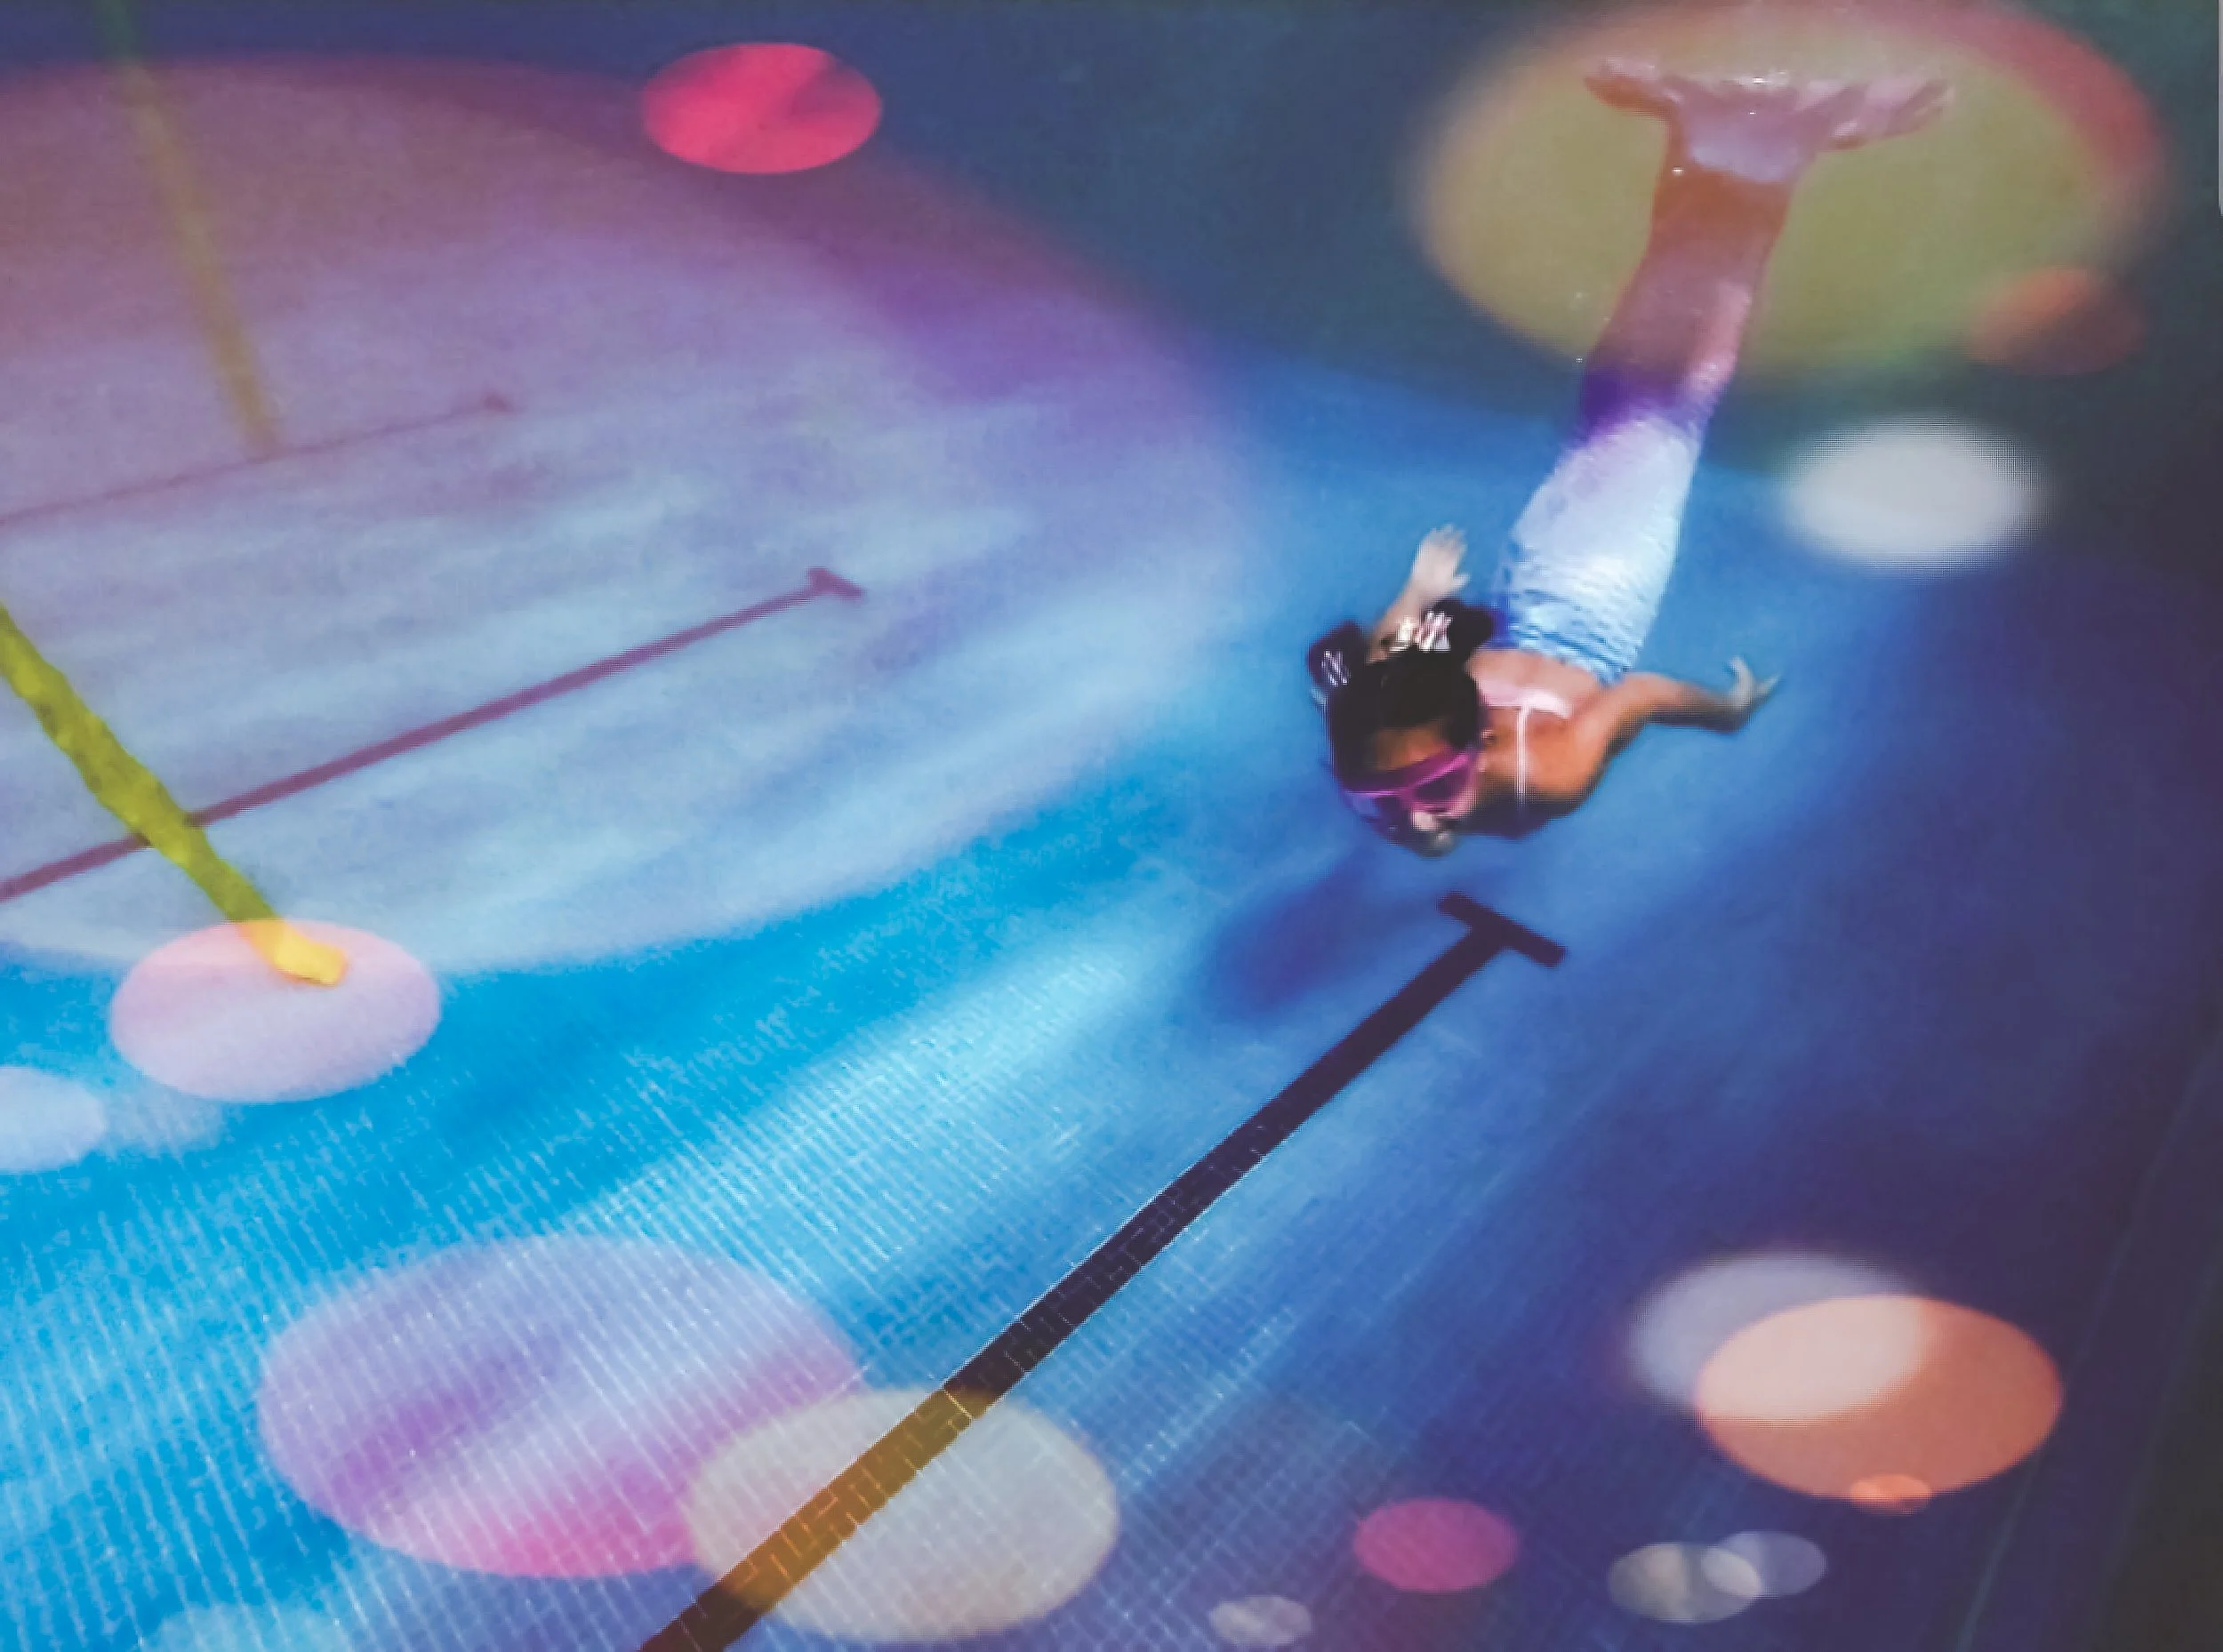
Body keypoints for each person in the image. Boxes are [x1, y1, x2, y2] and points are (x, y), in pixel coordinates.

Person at [1313, 63, 1949, 854]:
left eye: (1394, 800)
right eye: (1435, 804)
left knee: (1629, 382)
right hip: (1599, 592)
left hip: (1531, 570)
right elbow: (1638, 695)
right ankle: (1767, 152)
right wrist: (1725, 713)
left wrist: (1419, 592)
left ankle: (1717, 141)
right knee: (1673, 393)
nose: (1422, 809)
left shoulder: (1399, 750)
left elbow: (1379, 674)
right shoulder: (1544, 778)